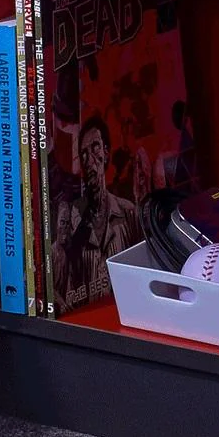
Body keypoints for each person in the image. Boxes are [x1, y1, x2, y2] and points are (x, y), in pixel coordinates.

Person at [66, 114, 141, 309]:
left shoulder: (128, 213)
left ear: (106, 153)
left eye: (95, 148)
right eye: (83, 153)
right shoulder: (73, 219)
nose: (89, 160)